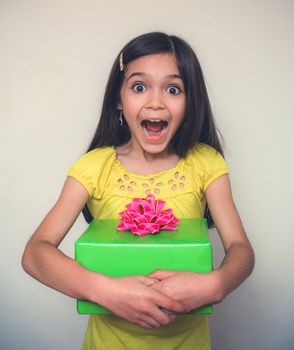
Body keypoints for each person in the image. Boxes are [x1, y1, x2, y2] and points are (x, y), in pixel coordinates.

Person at [22, 32, 255, 349]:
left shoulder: (206, 163)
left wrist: (217, 283)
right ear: (119, 97)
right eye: (139, 87)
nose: (155, 101)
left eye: (173, 89)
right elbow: (36, 252)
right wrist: (106, 292)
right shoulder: (94, 167)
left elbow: (241, 248)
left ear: (190, 100)